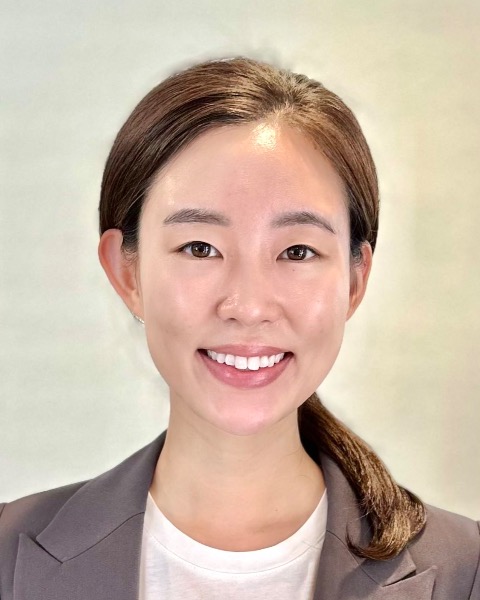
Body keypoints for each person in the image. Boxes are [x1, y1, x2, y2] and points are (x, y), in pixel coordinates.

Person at [0, 57, 478, 600]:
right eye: (200, 248)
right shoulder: (8, 557)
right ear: (127, 272)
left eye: (297, 251)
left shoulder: (466, 572)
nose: (248, 307)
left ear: (354, 280)